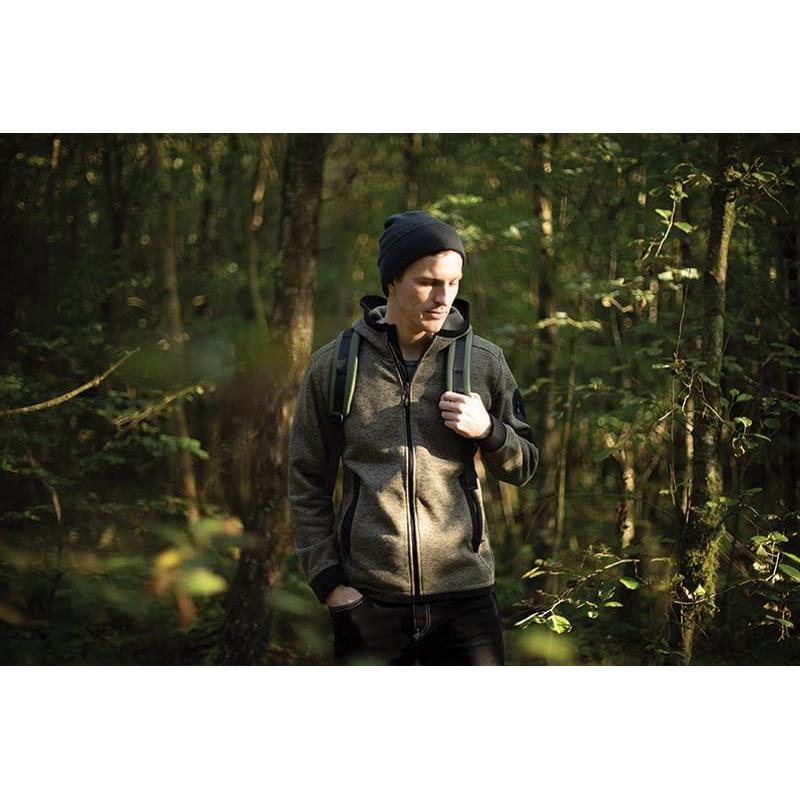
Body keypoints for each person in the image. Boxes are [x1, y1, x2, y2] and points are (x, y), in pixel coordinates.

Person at [288, 209, 538, 665]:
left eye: (454, 283)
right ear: (392, 282)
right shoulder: (335, 365)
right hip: (368, 601)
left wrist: (489, 430)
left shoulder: (484, 361)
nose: (444, 297)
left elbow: (524, 467)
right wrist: (330, 583)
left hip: (466, 602)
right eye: (427, 282)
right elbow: (306, 479)